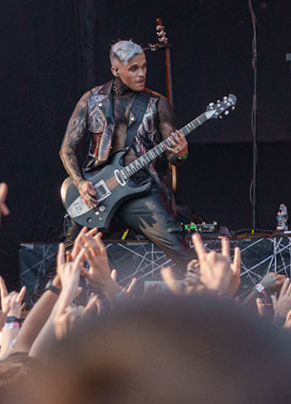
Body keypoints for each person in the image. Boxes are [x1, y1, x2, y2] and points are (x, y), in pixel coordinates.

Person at [58, 39, 192, 266]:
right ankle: (37, 302)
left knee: (183, 253)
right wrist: (80, 183)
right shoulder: (90, 100)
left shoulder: (158, 104)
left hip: (141, 191)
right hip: (98, 192)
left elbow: (172, 157)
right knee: (68, 260)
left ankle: (211, 297)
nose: (142, 74)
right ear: (116, 71)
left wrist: (182, 152)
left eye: (144, 66)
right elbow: (67, 149)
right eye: (134, 69)